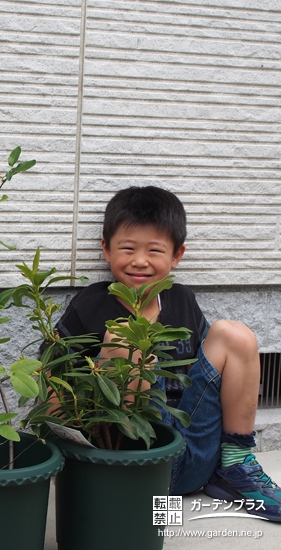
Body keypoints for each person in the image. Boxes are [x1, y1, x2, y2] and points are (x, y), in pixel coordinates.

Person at [55, 185, 281, 521]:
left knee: (235, 335)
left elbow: (208, 373)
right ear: (106, 249)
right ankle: (138, 483)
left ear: (177, 255)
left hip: (196, 452)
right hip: (134, 460)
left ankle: (236, 466)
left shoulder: (181, 300)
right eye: (127, 248)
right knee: (127, 339)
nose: (140, 261)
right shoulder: (90, 306)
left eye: (155, 251)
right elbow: (52, 376)